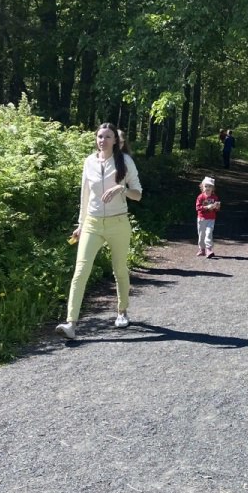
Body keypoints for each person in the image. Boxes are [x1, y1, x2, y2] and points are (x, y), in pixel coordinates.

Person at [55, 123, 143, 342]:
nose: (102, 140)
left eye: (107, 137)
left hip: (118, 223)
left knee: (119, 269)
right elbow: (85, 195)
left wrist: (121, 188)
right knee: (80, 271)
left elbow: (138, 194)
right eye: (99, 136)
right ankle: (71, 324)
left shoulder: (125, 162)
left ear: (116, 140)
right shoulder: (89, 162)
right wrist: (80, 223)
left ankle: (122, 311)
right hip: (92, 224)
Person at [196, 176, 221, 258]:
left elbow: (217, 209)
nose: (208, 188)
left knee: (209, 234)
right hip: (201, 219)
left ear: (213, 188)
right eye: (206, 186)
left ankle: (209, 250)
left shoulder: (214, 197)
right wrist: (207, 207)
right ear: (202, 187)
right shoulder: (201, 197)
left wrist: (216, 207)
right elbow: (198, 208)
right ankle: (201, 249)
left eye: (210, 186)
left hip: (211, 219)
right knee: (201, 235)